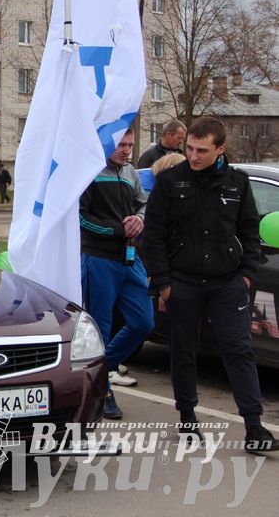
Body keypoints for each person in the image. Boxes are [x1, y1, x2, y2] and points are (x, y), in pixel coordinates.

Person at [144, 117, 277, 451]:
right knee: (185, 352)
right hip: (183, 283)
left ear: (220, 149)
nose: (193, 156)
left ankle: (254, 427)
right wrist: (163, 283)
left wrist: (246, 275)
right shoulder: (172, 181)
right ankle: (188, 418)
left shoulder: (237, 182)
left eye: (202, 150)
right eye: (189, 148)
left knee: (239, 350)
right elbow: (154, 235)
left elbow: (250, 231)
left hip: (227, 284)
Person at [79, 129, 153, 418]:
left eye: (130, 145)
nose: (126, 150)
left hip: (130, 257)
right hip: (99, 258)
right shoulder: (89, 170)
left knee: (143, 322)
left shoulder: (130, 171)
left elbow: (143, 204)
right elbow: (80, 216)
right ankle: (103, 391)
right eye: (121, 144)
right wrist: (116, 229)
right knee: (101, 327)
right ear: (106, 144)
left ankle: (101, 370)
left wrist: (139, 219)